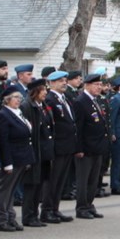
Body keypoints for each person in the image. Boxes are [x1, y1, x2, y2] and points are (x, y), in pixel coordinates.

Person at [0, 88, 34, 232]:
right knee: (5, 190)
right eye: (15, 97)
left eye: (19, 97)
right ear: (7, 99)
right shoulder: (3, 115)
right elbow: (3, 141)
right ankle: (1, 219)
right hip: (11, 158)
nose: (18, 100)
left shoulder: (18, 113)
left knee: (11, 190)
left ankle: (10, 217)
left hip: (22, 157)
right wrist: (7, 162)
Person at [42, 71, 77, 223]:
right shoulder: (50, 99)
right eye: (60, 81)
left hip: (67, 145)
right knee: (53, 180)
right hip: (57, 146)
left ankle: (55, 209)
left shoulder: (64, 99)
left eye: (64, 80)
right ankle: (47, 210)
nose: (64, 83)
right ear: (51, 83)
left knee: (61, 180)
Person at [74, 73, 109, 218]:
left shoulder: (96, 100)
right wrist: (79, 148)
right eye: (96, 85)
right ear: (87, 85)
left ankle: (89, 204)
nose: (99, 87)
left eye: (100, 85)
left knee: (94, 179)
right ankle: (81, 207)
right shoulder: (81, 101)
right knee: (84, 180)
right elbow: (78, 128)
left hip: (97, 147)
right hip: (86, 148)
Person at [21, 79, 54, 228]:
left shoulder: (43, 106)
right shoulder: (27, 106)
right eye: (43, 90)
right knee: (31, 185)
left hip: (44, 152)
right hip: (35, 151)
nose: (46, 93)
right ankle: (28, 216)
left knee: (39, 184)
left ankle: (35, 214)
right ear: (35, 92)